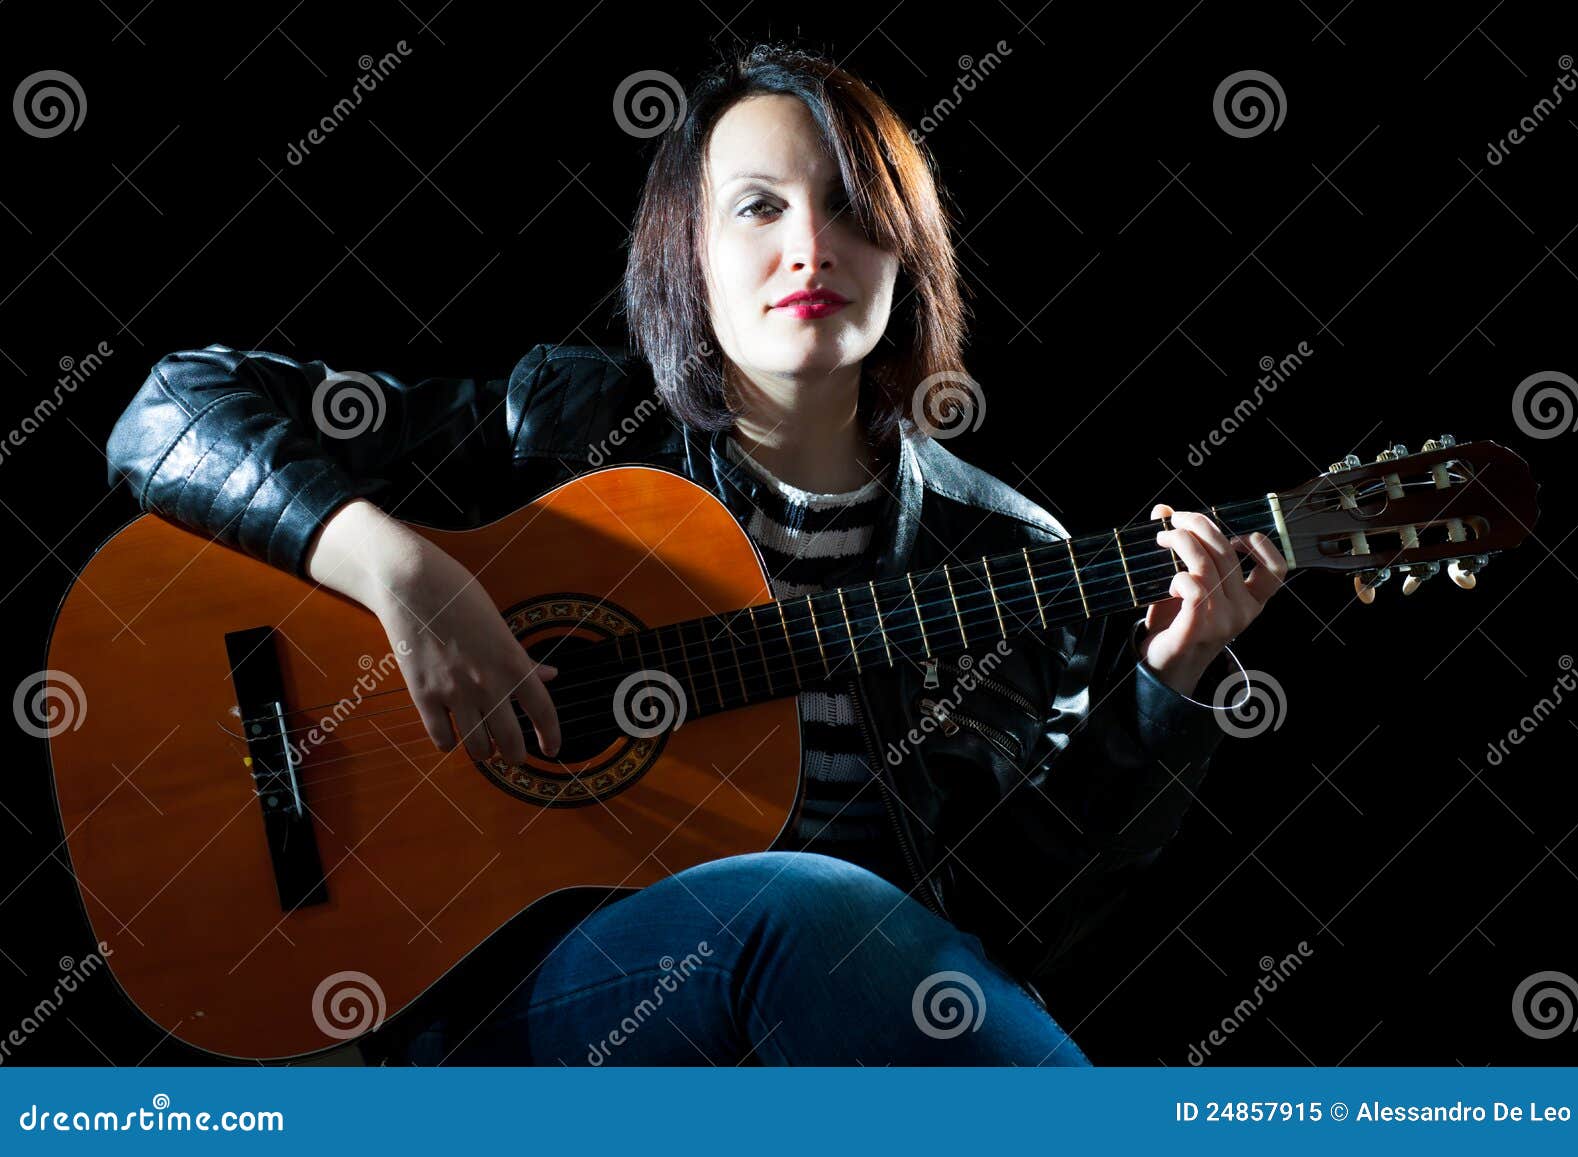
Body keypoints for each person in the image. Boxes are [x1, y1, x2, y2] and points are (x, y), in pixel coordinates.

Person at [105, 42, 1286, 1066]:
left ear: (906, 252)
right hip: (521, 1012)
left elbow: (1005, 935)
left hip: (815, 1024)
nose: (810, 244)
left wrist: (1162, 687)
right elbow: (171, 410)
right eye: (759, 205)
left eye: (851, 204)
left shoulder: (1006, 554)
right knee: (804, 901)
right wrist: (400, 571)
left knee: (841, 920)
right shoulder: (565, 431)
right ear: (688, 249)